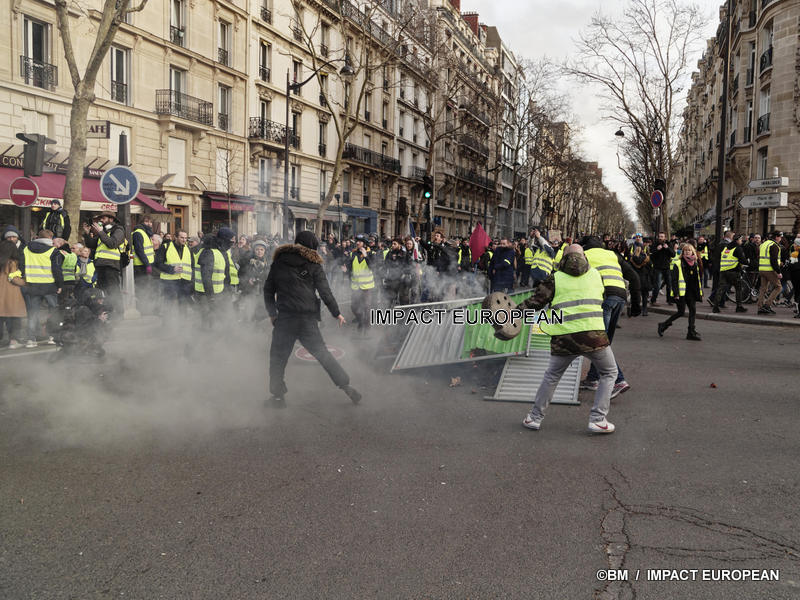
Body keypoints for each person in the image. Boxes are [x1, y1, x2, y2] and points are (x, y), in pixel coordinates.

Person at [520, 244, 617, 434]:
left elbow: (535, 303)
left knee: (552, 376)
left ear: (562, 258)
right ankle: (598, 419)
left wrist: (512, 314)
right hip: (593, 337)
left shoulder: (555, 278)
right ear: (584, 257)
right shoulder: (597, 275)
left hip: (564, 337)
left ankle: (534, 418)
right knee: (609, 373)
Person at [264, 231, 361, 408]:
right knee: (323, 354)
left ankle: (278, 398)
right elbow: (325, 291)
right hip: (307, 319)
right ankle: (346, 386)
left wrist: (272, 313)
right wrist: (336, 312)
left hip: (285, 319)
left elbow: (268, 290)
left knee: (277, 359)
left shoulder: (278, 262)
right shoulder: (314, 264)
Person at [580, 235, 639, 397]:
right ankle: (593, 379)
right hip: (620, 297)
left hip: (603, 298)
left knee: (599, 343)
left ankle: (618, 380)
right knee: (603, 341)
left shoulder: (585, 254)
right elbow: (633, 276)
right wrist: (636, 305)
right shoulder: (612, 254)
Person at [19, 229, 64, 347]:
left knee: (33, 313)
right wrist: (60, 285)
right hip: (49, 285)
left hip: (33, 285)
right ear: (50, 238)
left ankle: (31, 339)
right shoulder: (54, 251)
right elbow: (57, 270)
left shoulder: (26, 249)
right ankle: (52, 337)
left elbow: (21, 266)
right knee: (53, 311)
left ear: (38, 237)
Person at [83, 212, 126, 315]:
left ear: (111, 219)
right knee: (102, 292)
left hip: (111, 266)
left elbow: (112, 243)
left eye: (103, 218)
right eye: (100, 218)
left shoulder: (118, 230)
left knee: (113, 291)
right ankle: (106, 313)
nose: (101, 220)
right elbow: (91, 244)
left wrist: (101, 232)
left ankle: (119, 314)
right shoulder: (104, 232)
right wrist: (87, 233)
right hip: (100, 265)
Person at [658, 243, 703, 340]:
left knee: (693, 311)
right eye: (685, 250)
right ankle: (663, 325)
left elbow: (697, 279)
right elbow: (674, 280)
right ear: (683, 253)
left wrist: (700, 292)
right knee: (681, 312)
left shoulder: (695, 263)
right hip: (681, 292)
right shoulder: (678, 263)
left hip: (691, 291)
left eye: (689, 250)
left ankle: (691, 332)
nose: (687, 252)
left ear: (692, 252)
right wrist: (676, 293)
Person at [194, 228, 233, 328]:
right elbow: (206, 276)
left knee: (215, 319)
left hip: (217, 293)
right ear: (224, 239)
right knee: (207, 320)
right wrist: (211, 296)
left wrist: (227, 290)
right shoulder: (209, 252)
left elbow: (225, 274)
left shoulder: (220, 251)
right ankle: (205, 340)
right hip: (206, 294)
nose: (233, 242)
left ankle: (213, 337)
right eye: (231, 240)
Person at [155, 229, 193, 314]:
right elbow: (157, 263)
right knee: (168, 304)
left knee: (183, 305)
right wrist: (171, 269)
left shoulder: (188, 249)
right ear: (175, 237)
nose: (184, 240)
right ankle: (167, 324)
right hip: (169, 281)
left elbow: (191, 266)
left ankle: (182, 324)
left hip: (184, 281)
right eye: (181, 237)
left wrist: (191, 281)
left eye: (185, 238)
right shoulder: (165, 247)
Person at [345, 236, 376, 333]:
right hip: (355, 286)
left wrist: (366, 255)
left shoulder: (372, 253)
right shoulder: (352, 253)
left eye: (360, 242)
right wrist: (346, 270)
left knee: (366, 307)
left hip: (366, 287)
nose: (357, 243)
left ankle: (367, 328)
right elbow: (350, 268)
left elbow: (373, 267)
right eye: (357, 241)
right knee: (354, 307)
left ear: (364, 243)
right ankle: (361, 320)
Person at [712, 231, 748, 313]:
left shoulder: (726, 247)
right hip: (733, 272)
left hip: (723, 271)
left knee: (720, 289)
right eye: (741, 239)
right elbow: (743, 260)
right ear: (737, 240)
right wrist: (748, 261)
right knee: (738, 289)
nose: (741, 241)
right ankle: (739, 306)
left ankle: (715, 307)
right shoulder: (738, 248)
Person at [0, 239, 26, 349]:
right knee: (13, 317)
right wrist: (25, 282)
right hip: (10, 293)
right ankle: (13, 341)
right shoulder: (12, 262)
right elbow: (14, 278)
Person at [239, 239, 270, 320]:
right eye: (257, 249)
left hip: (263, 293)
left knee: (262, 314)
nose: (259, 252)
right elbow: (240, 275)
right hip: (250, 293)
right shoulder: (247, 262)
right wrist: (248, 280)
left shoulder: (268, 263)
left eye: (261, 249)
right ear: (254, 251)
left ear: (265, 251)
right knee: (249, 314)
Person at [757, 231, 784, 314]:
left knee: (763, 289)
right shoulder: (774, 245)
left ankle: (760, 307)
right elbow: (773, 260)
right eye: (780, 237)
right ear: (776, 237)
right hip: (769, 270)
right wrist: (778, 272)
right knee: (778, 287)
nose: (781, 238)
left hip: (761, 269)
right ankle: (767, 305)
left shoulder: (764, 244)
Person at [650, 232, 675, 305]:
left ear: (665, 238)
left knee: (669, 285)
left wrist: (667, 248)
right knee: (657, 285)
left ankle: (669, 300)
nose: (660, 238)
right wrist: (657, 249)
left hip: (667, 267)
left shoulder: (668, 244)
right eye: (659, 236)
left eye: (662, 236)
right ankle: (653, 300)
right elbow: (651, 255)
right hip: (658, 268)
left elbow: (673, 254)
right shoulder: (655, 244)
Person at [628, 241, 651, 316]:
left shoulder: (632, 258)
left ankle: (633, 310)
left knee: (634, 295)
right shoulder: (646, 258)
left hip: (635, 278)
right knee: (644, 295)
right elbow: (650, 268)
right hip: (644, 278)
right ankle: (644, 310)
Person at [788, 234, 800, 316]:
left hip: (796, 274)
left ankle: (797, 308)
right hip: (795, 274)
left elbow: (791, 265)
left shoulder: (794, 254)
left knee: (797, 291)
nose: (794, 245)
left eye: (795, 244)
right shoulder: (794, 254)